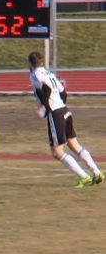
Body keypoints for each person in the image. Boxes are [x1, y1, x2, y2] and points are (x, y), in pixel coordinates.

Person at [28, 51, 104, 187]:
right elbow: (63, 91)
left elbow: (46, 88)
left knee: (57, 152)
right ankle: (97, 173)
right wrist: (60, 105)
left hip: (56, 113)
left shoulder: (36, 75)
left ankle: (84, 177)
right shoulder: (49, 73)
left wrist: (46, 109)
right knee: (74, 145)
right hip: (64, 110)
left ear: (30, 64)